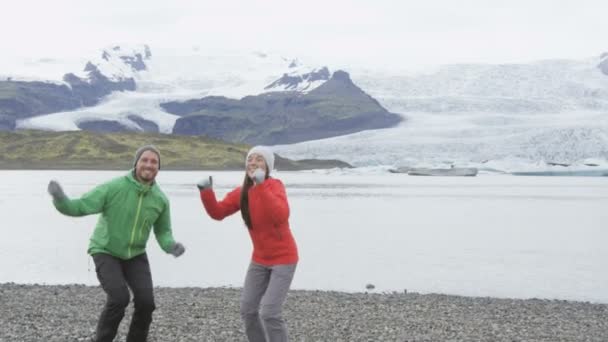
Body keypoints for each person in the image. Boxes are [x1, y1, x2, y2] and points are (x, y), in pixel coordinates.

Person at [47, 145, 185, 342]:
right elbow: (80, 206)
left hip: (135, 254)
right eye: (144, 160)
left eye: (154, 162)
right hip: (105, 250)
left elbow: (163, 231)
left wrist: (171, 246)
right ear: (136, 163)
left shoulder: (160, 199)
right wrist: (60, 199)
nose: (149, 164)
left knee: (146, 303)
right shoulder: (114, 187)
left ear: (158, 168)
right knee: (119, 299)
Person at [197, 146, 298, 342]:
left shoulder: (275, 185)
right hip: (259, 259)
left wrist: (261, 186)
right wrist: (206, 191)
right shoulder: (242, 192)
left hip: (284, 259)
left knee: (269, 313)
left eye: (259, 159)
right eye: (250, 159)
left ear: (268, 166)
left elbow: (281, 215)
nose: (253, 162)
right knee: (248, 310)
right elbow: (218, 213)